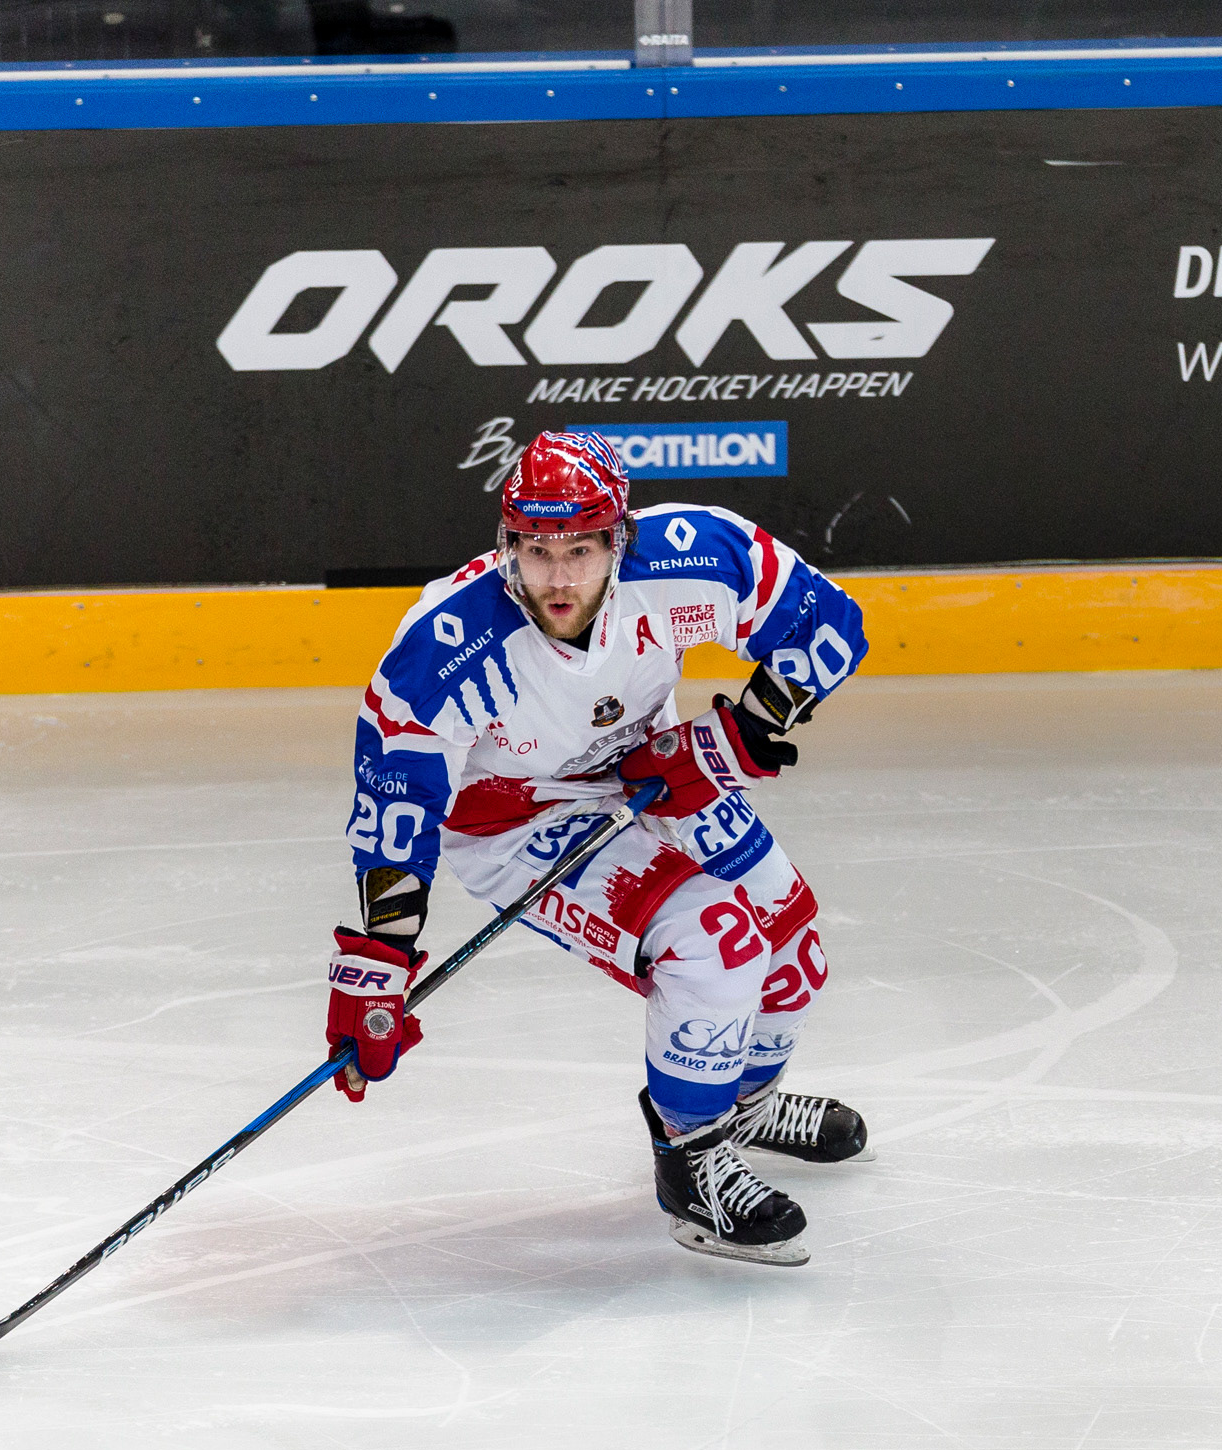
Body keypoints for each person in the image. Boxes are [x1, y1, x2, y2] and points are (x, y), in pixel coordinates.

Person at [324, 429, 870, 1266]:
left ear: (621, 540)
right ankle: (691, 1160)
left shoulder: (692, 557)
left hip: (650, 771)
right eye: (535, 551)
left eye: (580, 550)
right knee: (717, 943)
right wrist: (379, 964)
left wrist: (734, 739)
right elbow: (398, 806)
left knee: (792, 942)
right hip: (514, 821)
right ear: (507, 543)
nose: (557, 578)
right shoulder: (448, 643)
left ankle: (742, 1108)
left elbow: (827, 621)